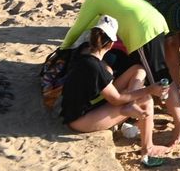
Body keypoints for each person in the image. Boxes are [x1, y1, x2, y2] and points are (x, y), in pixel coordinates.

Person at [60, 0, 180, 150]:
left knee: (159, 75)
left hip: (143, 30)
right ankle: (139, 107)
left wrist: (63, 49)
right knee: (146, 70)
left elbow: (78, 27)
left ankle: (179, 121)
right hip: (155, 19)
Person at [59, 15, 165, 164]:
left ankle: (130, 104)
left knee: (138, 69)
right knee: (147, 101)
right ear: (111, 45)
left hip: (78, 108)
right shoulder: (95, 67)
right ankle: (147, 150)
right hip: (80, 120)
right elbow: (115, 99)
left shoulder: (84, 51)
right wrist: (150, 89)